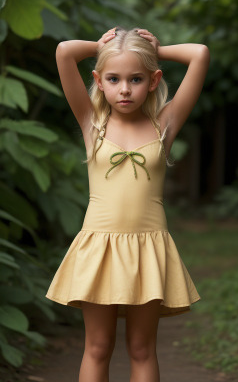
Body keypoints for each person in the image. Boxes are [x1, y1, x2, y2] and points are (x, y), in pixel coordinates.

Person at [46, 26, 210, 382]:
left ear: (153, 81)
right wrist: (103, 45)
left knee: (141, 348)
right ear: (99, 81)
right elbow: (63, 52)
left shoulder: (163, 125)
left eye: (136, 78)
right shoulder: (93, 124)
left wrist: (154, 51)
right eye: (114, 78)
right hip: (99, 247)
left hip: (148, 248)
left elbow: (199, 53)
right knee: (98, 347)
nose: (124, 88)